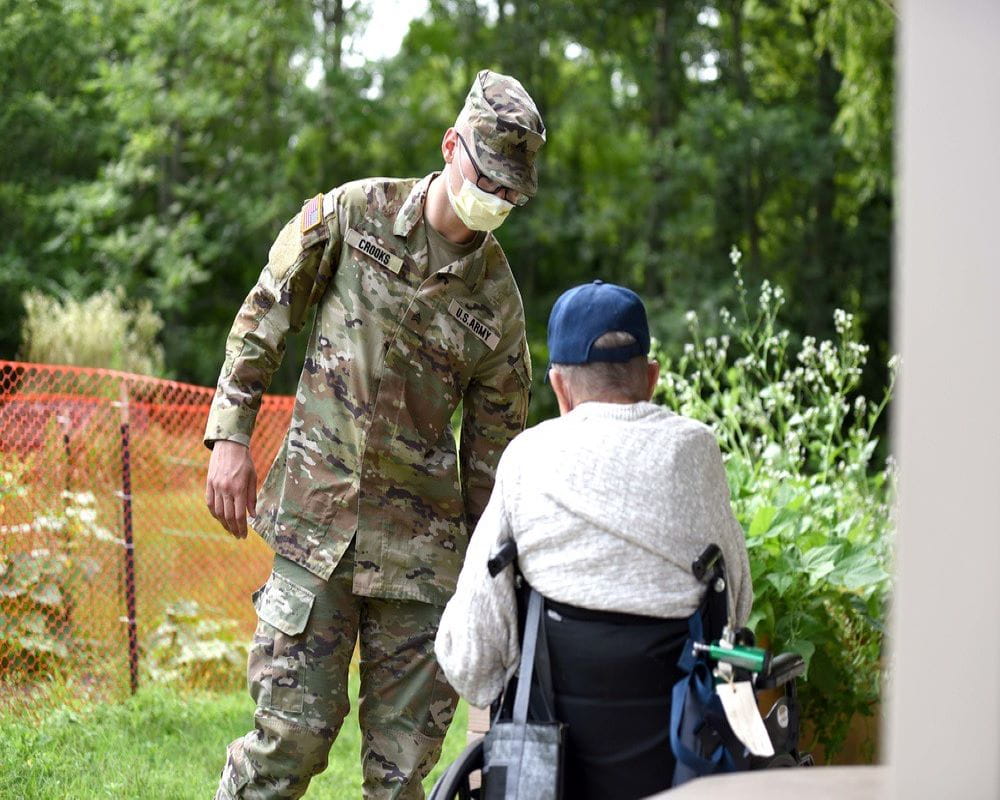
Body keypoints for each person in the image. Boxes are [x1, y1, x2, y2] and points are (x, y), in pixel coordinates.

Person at [203, 69, 545, 800]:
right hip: (316, 531)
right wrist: (229, 436)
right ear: (452, 146)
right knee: (285, 744)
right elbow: (265, 316)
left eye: (511, 193)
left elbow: (494, 459)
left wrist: (492, 582)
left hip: (419, 564)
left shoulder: (500, 304)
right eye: (488, 177)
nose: (497, 199)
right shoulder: (354, 214)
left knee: (401, 777)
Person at [435, 280, 752, 800]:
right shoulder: (696, 452)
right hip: (677, 769)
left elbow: (472, 660)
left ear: (559, 388)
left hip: (551, 776)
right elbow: (734, 604)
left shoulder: (527, 458)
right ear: (651, 378)